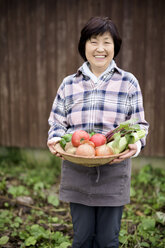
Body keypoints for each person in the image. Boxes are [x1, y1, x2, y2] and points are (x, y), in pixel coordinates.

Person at [47, 16, 149, 248]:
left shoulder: (128, 82)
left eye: (107, 42)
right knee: (82, 238)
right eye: (93, 41)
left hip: (114, 170)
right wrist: (55, 139)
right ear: (84, 45)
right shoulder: (69, 84)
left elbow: (139, 125)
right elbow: (57, 122)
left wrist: (135, 145)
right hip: (76, 168)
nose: (100, 48)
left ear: (115, 47)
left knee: (108, 240)